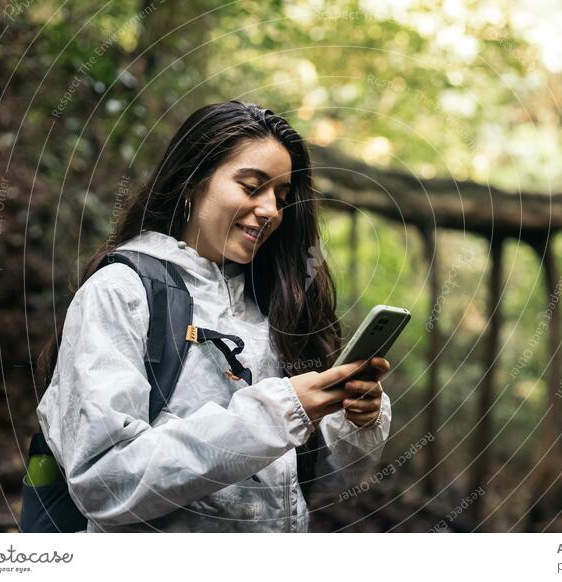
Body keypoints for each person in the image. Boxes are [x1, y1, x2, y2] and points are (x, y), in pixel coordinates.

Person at [35, 100, 392, 532]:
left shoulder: (273, 308)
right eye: (251, 186)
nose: (271, 211)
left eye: (281, 196)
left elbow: (323, 486)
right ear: (192, 181)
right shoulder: (121, 292)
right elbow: (105, 481)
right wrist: (275, 415)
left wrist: (355, 421)